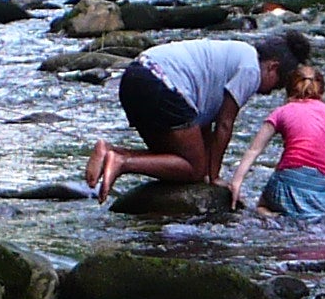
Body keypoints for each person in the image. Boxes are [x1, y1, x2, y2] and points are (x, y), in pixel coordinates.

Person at [90, 29, 309, 198]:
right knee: (193, 169)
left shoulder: (233, 52)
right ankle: (121, 161)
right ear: (272, 67)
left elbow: (203, 126)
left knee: (173, 161)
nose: (271, 91)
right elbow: (224, 124)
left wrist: (207, 167)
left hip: (136, 76)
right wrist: (213, 177)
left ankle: (110, 150)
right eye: (277, 84)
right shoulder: (251, 69)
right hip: (163, 84)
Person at [225, 61, 325, 219]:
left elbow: (254, 149)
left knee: (262, 205)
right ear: (321, 91)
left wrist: (236, 182)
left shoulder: (280, 112)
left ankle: (271, 215)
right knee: (320, 218)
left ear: (289, 90)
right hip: (318, 185)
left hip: (286, 181)